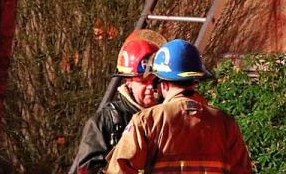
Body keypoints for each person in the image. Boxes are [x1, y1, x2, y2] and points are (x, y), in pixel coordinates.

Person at [106, 39, 253, 174]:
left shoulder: (146, 121)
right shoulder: (225, 123)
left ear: (162, 82)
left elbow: (119, 169)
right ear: (196, 80)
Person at [70, 33, 162, 174]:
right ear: (128, 81)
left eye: (155, 80)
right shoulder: (105, 122)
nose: (151, 87)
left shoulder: (168, 117)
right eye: (143, 81)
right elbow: (87, 169)